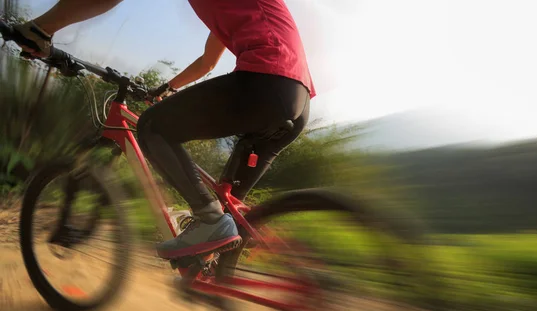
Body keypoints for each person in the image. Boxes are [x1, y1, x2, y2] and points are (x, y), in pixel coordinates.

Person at [13, 0, 315, 259]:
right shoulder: (236, 10)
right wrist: (167, 88)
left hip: (268, 79)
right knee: (229, 217)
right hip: (295, 98)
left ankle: (208, 220)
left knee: (153, 127)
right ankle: (219, 280)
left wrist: (40, 29)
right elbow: (208, 61)